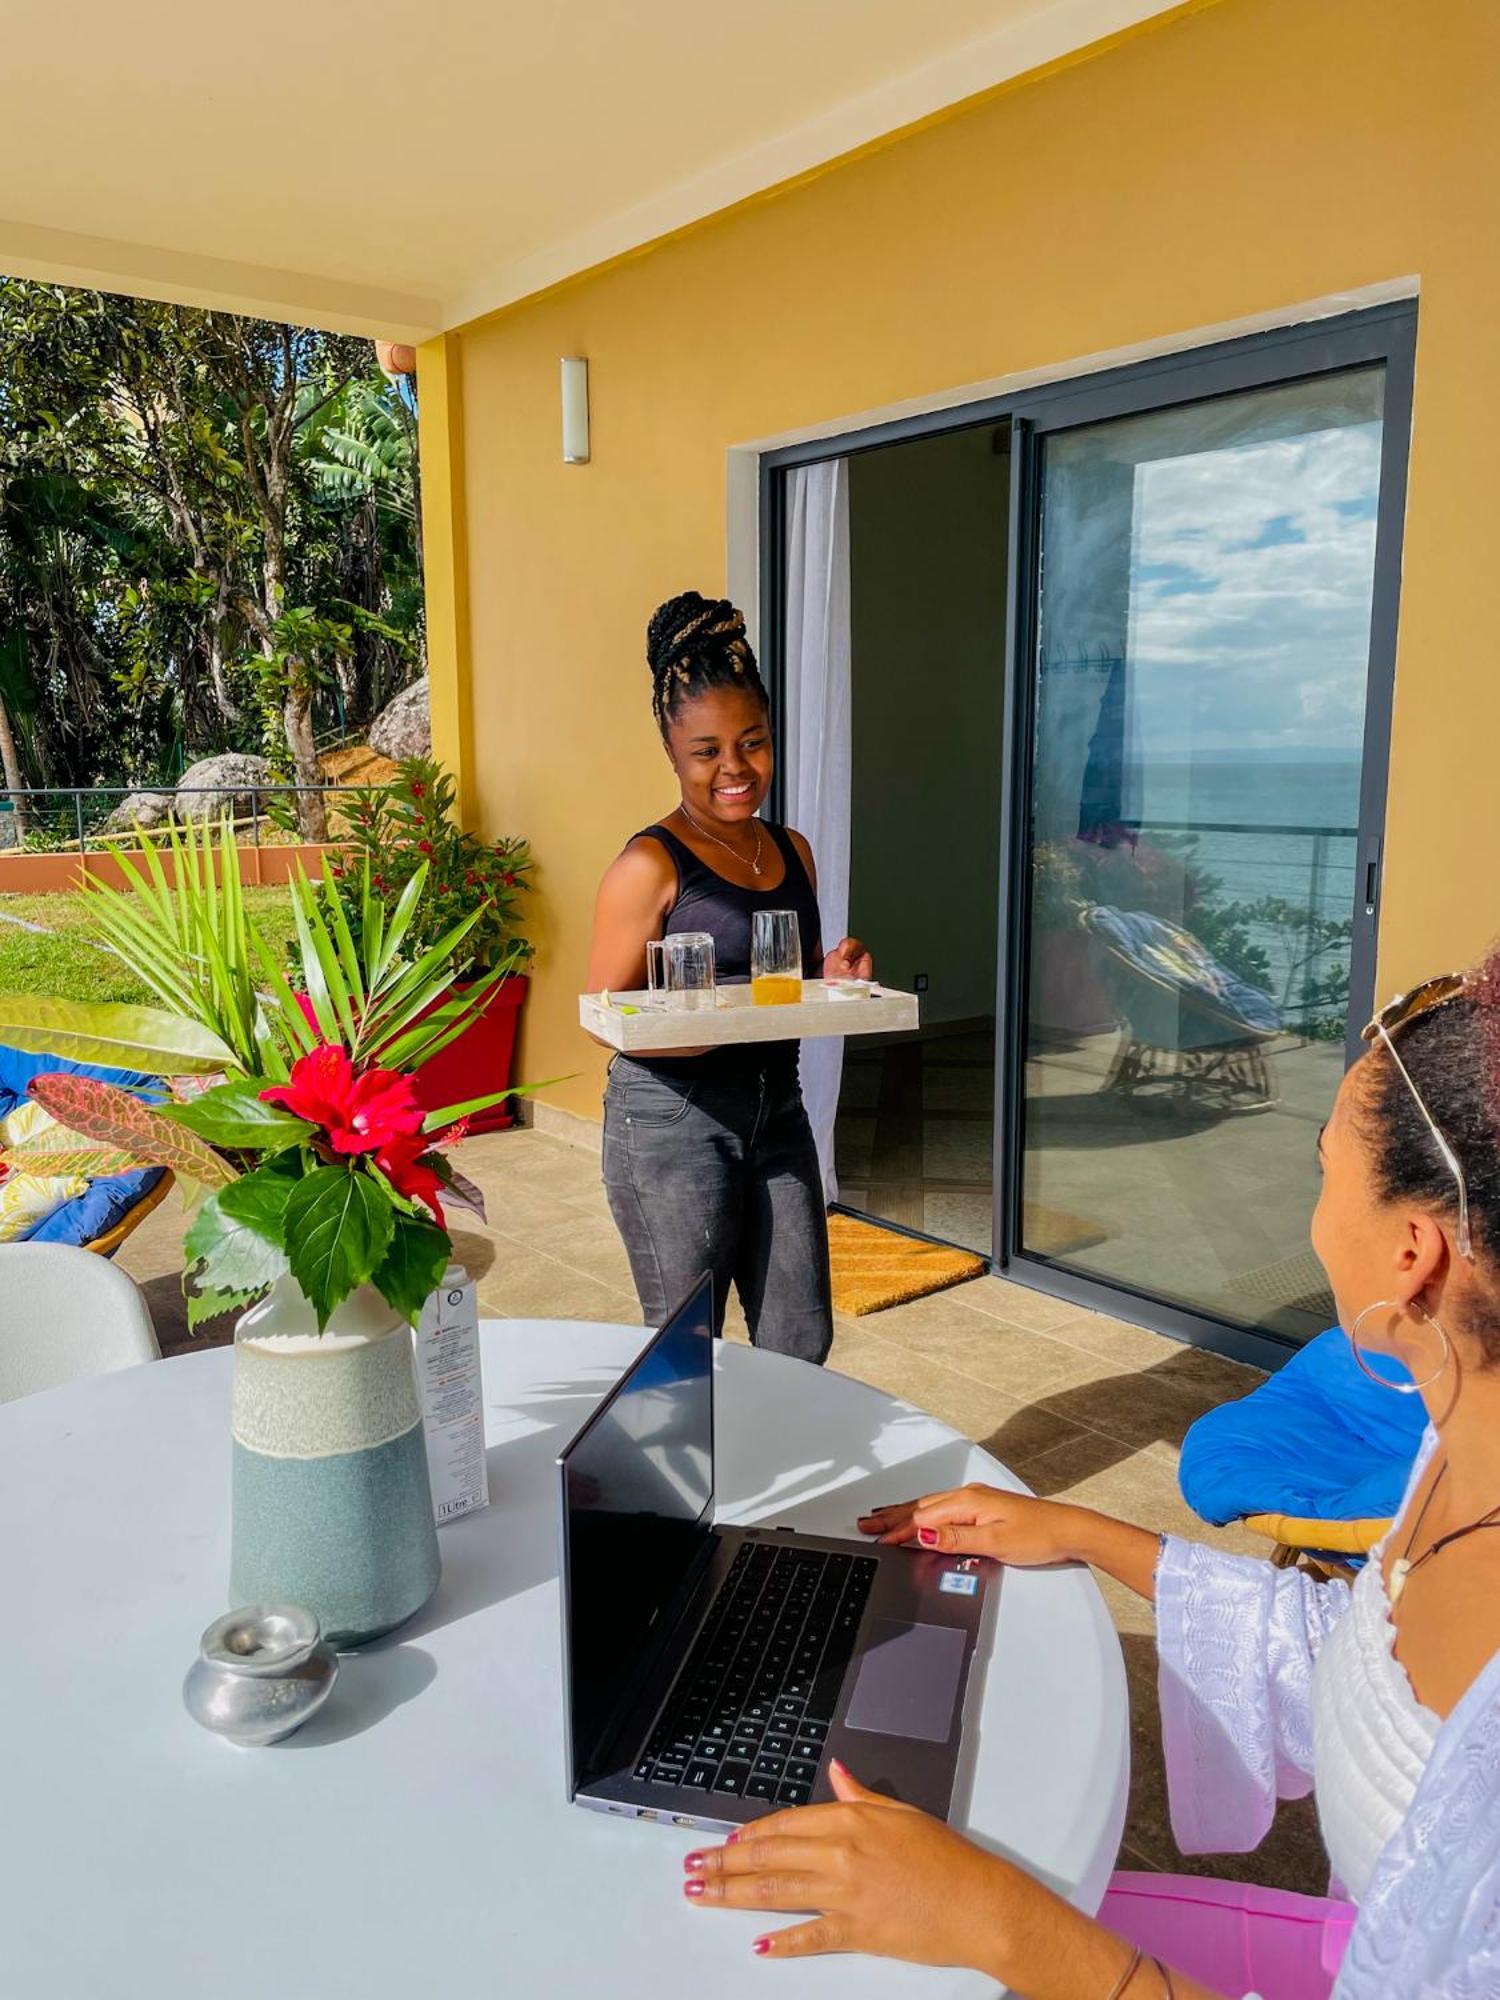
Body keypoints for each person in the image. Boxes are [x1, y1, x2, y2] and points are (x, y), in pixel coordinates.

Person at [678, 950, 1500, 1995]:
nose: (1311, 1216)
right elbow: (1362, 1660)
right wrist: (1085, 1532)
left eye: (1325, 1171)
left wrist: (1000, 1920)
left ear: (1412, 1253)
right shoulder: (1456, 1447)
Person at [587, 591, 871, 1364]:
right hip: (673, 1119)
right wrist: (695, 1035)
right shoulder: (649, 866)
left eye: (752, 743)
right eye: (707, 751)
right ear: (673, 754)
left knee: (799, 1335)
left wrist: (829, 973)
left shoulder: (793, 850)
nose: (734, 769)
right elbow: (602, 1010)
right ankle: (684, 1486)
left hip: (777, 1109)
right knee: (688, 1348)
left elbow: (777, 976)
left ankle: (778, 1482)